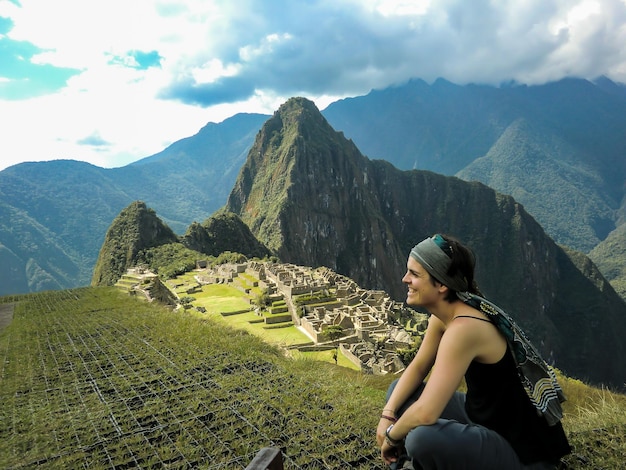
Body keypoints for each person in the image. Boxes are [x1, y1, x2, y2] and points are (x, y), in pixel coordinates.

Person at [376, 234, 571, 469]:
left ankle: (409, 463)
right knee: (398, 393)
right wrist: (388, 414)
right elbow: (418, 367)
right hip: (484, 419)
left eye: (415, 274)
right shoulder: (449, 313)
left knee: (421, 439)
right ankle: (408, 464)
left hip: (520, 453)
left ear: (441, 284)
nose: (404, 279)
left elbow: (427, 413)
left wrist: (391, 435)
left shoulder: (464, 328)